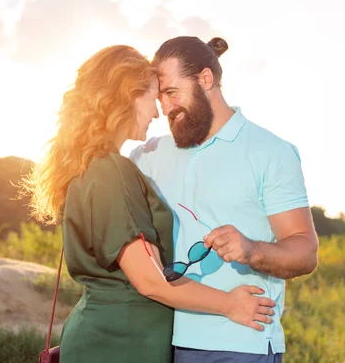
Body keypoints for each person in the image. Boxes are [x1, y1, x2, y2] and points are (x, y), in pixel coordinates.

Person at [20, 45, 277, 363]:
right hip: (119, 346)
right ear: (128, 95)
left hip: (109, 338)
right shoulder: (113, 171)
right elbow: (150, 280)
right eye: (153, 97)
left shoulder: (90, 168)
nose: (158, 113)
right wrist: (230, 304)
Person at [130, 36, 319, 362]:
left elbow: (305, 251)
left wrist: (252, 249)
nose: (165, 108)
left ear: (206, 79)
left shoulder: (270, 152)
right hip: (162, 339)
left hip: (241, 342)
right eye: (160, 97)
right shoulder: (149, 155)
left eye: (172, 93)